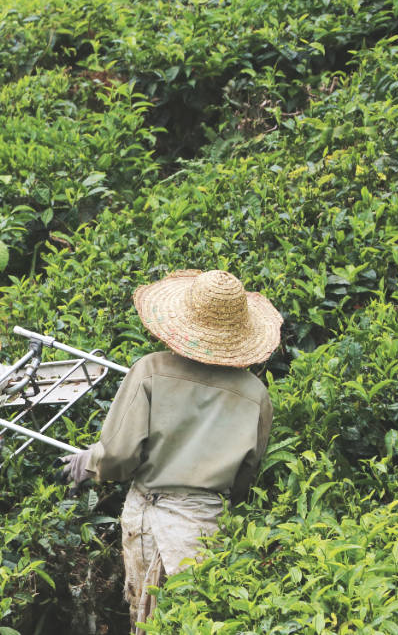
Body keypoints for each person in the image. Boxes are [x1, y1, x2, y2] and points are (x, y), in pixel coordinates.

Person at [60, 269, 281, 632]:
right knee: (198, 617)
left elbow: (119, 455)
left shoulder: (150, 371)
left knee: (147, 617)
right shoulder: (255, 394)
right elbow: (246, 475)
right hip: (205, 522)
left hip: (149, 514)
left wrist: (88, 463)